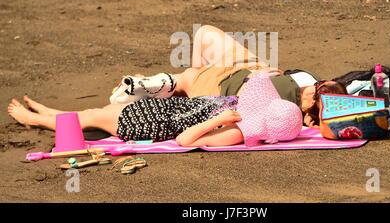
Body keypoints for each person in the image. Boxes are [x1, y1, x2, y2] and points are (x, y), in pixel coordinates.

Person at [7, 73, 345, 147]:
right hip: (172, 110)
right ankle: (50, 111)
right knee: (93, 114)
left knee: (95, 117)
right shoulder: (255, 117)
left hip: (157, 122)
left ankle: (35, 119)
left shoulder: (238, 130)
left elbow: (185, 140)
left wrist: (222, 118)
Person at [108, 25, 348, 127]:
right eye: (317, 85)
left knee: (189, 77)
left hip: (222, 88)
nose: (311, 88)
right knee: (204, 33)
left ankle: (167, 87)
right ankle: (171, 90)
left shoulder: (289, 114)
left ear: (312, 112)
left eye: (314, 93)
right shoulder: (306, 91)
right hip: (246, 68)